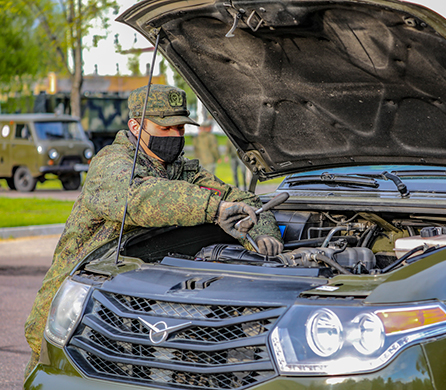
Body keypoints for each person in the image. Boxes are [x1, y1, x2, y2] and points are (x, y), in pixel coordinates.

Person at [23, 84, 283, 378]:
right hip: (74, 310)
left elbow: (244, 200)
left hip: (136, 311)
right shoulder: (110, 164)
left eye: (181, 128)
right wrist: (214, 209)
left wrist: (263, 233)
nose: (176, 136)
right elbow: (140, 198)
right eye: (165, 128)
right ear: (135, 126)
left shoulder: (182, 170)